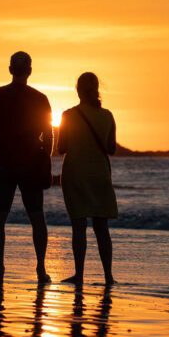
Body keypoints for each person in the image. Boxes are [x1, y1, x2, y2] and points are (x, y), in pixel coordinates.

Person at [0, 51, 54, 284]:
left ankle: (0, 269)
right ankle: (41, 270)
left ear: (10, 69)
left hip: (3, 164)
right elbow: (49, 135)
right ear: (30, 70)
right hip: (31, 165)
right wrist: (45, 159)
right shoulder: (40, 98)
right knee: (37, 217)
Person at [56, 72, 117, 286]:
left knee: (79, 226)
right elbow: (111, 149)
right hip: (100, 174)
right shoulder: (108, 115)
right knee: (102, 228)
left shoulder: (68, 115)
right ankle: (108, 276)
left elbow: (61, 148)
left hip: (76, 174)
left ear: (77, 90)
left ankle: (79, 274)